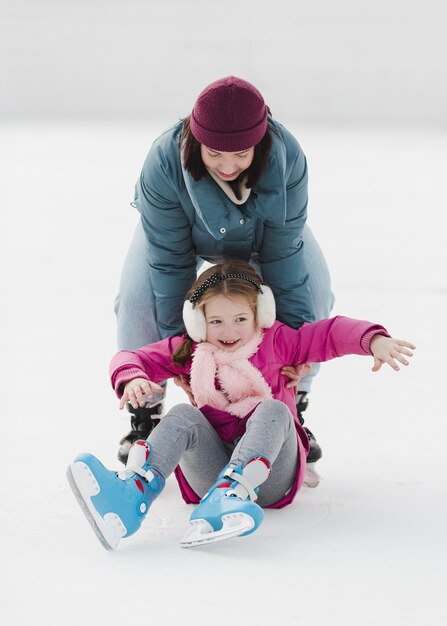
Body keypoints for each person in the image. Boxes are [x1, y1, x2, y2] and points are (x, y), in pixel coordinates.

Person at [67, 259, 415, 550]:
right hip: (209, 474)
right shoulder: (189, 350)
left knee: (274, 410)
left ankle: (233, 493)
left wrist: (374, 340)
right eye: (216, 321)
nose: (228, 330)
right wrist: (133, 376)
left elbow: (329, 333)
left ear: (259, 315)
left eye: (239, 319)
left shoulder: (280, 341)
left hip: (269, 478)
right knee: (182, 415)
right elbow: (130, 356)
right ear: (198, 321)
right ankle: (132, 494)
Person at [114, 75, 334, 466]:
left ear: (260, 142)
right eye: (214, 153)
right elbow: (170, 263)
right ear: (196, 140)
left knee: (315, 290)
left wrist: (297, 349)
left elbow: (284, 257)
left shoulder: (288, 158)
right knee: (137, 300)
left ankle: (293, 405)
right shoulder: (163, 159)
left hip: (263, 236)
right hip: (176, 234)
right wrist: (182, 351)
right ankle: (145, 417)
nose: (227, 165)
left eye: (241, 154)